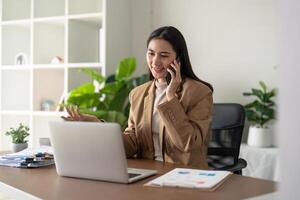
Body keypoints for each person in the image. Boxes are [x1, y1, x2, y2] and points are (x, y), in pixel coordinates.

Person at [63, 26, 213, 169]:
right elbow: (132, 144)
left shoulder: (199, 92)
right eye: (151, 53)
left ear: (178, 59)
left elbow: (189, 144)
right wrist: (98, 126)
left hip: (183, 174)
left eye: (164, 55)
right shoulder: (138, 94)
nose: (155, 62)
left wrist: (170, 97)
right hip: (148, 172)